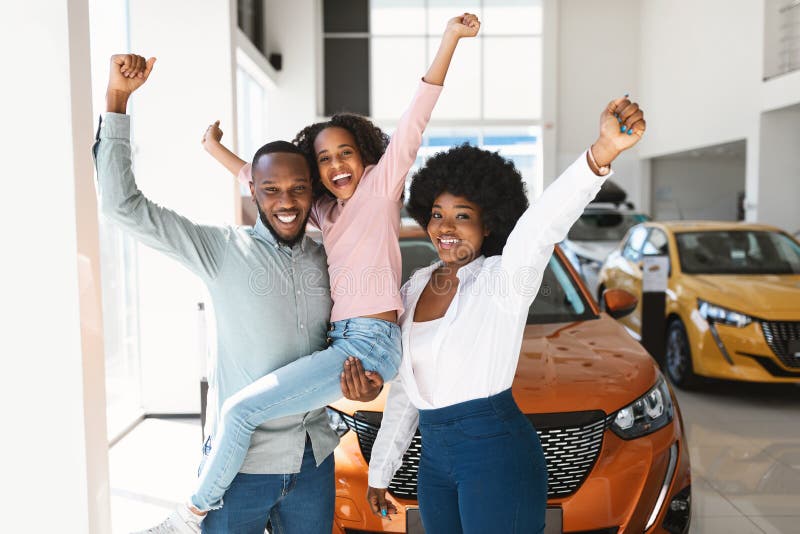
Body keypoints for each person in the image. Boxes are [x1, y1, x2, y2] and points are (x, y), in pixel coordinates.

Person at [145, 12, 481, 532]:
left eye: (346, 153)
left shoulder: (379, 189)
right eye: (324, 159)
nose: (336, 165)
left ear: (367, 157)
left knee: (237, 411)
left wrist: (450, 39)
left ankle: (189, 516)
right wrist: (213, 149)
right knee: (249, 411)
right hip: (342, 341)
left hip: (368, 343)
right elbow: (257, 180)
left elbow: (417, 116)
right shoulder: (323, 212)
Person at [95, 54, 384, 534]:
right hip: (238, 472)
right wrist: (117, 101)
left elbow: (351, 344)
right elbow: (123, 206)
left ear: (314, 191)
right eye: (271, 189)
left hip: (313, 464)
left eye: (297, 189)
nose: (286, 201)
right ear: (253, 189)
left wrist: (368, 388)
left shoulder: (330, 259)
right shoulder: (218, 249)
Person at [365, 97, 646, 533]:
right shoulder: (417, 285)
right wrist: (380, 472)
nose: (445, 228)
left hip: (495, 457)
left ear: (489, 223)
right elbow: (406, 392)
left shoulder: (502, 280)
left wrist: (601, 154)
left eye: (463, 216)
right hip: (434, 461)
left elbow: (542, 226)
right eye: (437, 214)